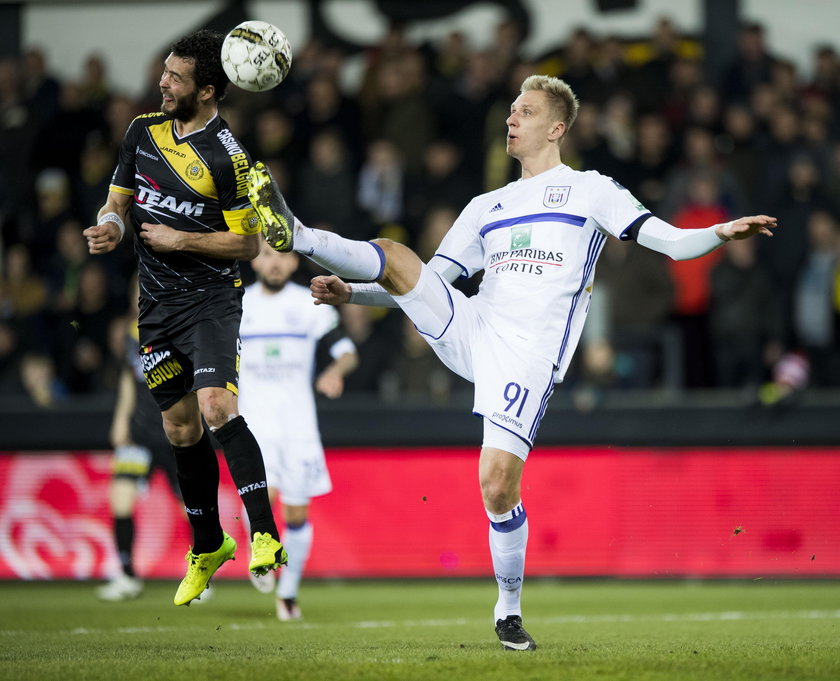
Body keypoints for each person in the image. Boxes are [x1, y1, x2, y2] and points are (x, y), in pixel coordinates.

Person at [246, 74, 777, 651]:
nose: (510, 120)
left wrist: (720, 231)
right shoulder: (485, 206)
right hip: (474, 327)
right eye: (509, 112)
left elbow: (671, 242)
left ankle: (508, 608)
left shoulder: (590, 190)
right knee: (398, 255)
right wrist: (356, 294)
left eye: (524, 112)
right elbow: (427, 280)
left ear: (556, 127)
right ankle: (295, 232)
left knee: (496, 486)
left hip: (528, 356)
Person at [83, 29, 286, 607]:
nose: (163, 83)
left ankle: (264, 532)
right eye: (165, 73)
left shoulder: (229, 156)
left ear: (207, 91)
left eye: (175, 77)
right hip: (155, 308)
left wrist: (179, 237)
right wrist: (113, 227)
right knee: (178, 427)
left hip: (211, 301)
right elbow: (118, 201)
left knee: (217, 406)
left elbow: (247, 246)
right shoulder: (141, 132)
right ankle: (208, 544)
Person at [239, 243, 358, 620]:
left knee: (295, 512)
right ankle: (259, 553)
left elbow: (346, 350)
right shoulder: (237, 304)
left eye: (282, 255)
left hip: (298, 426)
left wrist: (335, 371)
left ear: (293, 261)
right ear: (254, 259)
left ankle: (287, 593)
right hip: (253, 425)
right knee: (263, 498)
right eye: (266, 255)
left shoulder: (309, 305)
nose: (274, 262)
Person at [97, 277, 183, 601]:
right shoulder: (130, 336)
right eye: (138, 291)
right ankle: (127, 575)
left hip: (175, 433)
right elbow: (128, 380)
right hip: (138, 434)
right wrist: (120, 420)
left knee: (191, 507)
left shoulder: (182, 329)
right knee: (120, 497)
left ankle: (201, 571)